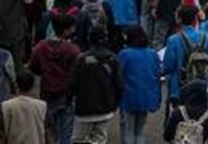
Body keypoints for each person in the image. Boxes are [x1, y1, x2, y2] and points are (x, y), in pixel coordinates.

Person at [28, 12, 80, 144]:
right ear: (65, 30)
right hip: (66, 94)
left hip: (47, 92)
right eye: (72, 28)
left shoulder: (41, 47)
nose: (74, 30)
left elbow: (33, 67)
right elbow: (77, 74)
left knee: (51, 130)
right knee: (66, 131)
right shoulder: (73, 50)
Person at [67, 26, 122, 144]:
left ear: (89, 39)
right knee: (100, 138)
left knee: (78, 139)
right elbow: (119, 84)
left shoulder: (81, 59)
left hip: (84, 107)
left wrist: (69, 101)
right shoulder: (112, 58)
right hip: (105, 107)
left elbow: (72, 84)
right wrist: (114, 103)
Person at [117, 26, 161, 144]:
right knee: (140, 130)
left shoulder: (124, 54)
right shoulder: (152, 54)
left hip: (128, 97)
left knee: (128, 130)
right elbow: (157, 75)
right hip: (146, 97)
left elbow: (118, 76)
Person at [3, 72, 46, 144]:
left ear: (17, 85)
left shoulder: (6, 106)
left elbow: (3, 133)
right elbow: (46, 131)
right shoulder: (42, 106)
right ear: (32, 86)